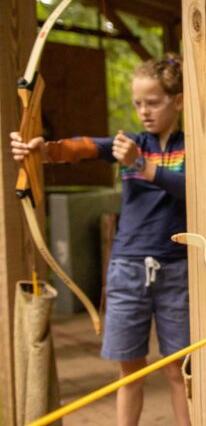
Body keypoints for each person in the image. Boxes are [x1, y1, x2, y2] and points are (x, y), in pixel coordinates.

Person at [11, 54, 190, 426]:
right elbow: (82, 147)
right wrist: (41, 150)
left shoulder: (192, 147)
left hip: (176, 268)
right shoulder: (130, 142)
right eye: (139, 103)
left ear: (179, 101)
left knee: (178, 369)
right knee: (130, 371)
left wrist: (141, 164)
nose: (144, 111)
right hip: (127, 267)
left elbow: (190, 188)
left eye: (153, 102)